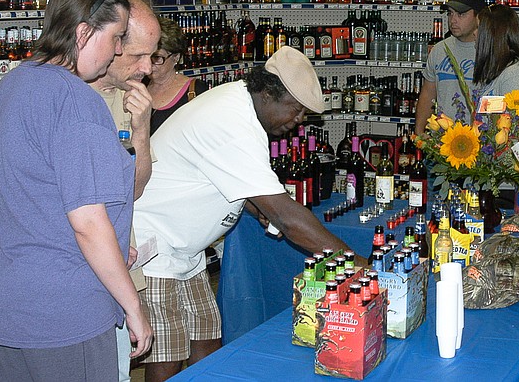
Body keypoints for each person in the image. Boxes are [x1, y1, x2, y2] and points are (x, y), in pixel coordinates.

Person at [133, 46, 355, 381]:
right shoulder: (231, 120)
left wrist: (256, 207)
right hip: (156, 247)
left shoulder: (240, 109)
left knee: (207, 342)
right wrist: (354, 262)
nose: (297, 122)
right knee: (168, 355)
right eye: (294, 110)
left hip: (183, 251)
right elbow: (289, 220)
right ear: (267, 93)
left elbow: (230, 182)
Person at [0, 0, 152, 381]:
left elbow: (31, 199)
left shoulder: (9, 86)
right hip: (64, 310)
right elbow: (88, 224)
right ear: (84, 32)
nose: (119, 51)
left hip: (9, 301)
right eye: (117, 37)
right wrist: (133, 306)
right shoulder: (75, 100)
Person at [88, 0, 160, 382]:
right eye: (138, 55)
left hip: (118, 272)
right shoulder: (66, 97)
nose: (148, 68)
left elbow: (134, 189)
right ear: (111, 43)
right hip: (79, 278)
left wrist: (142, 131)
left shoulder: (128, 97)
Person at [415, 0, 484, 133]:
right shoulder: (439, 49)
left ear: (479, 17)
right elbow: (428, 94)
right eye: (450, 14)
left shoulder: (489, 51)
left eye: (461, 14)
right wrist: (419, 133)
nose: (453, 20)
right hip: (441, 142)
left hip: (478, 146)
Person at [146, 16, 209, 135]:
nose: (149, 64)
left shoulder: (196, 91)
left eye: (157, 58)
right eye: (145, 56)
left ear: (176, 58)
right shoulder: (138, 85)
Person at [473, 4, 519, 100]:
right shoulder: (499, 69)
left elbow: (516, 113)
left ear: (492, 33)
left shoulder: (515, 76)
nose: (474, 33)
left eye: (478, 28)